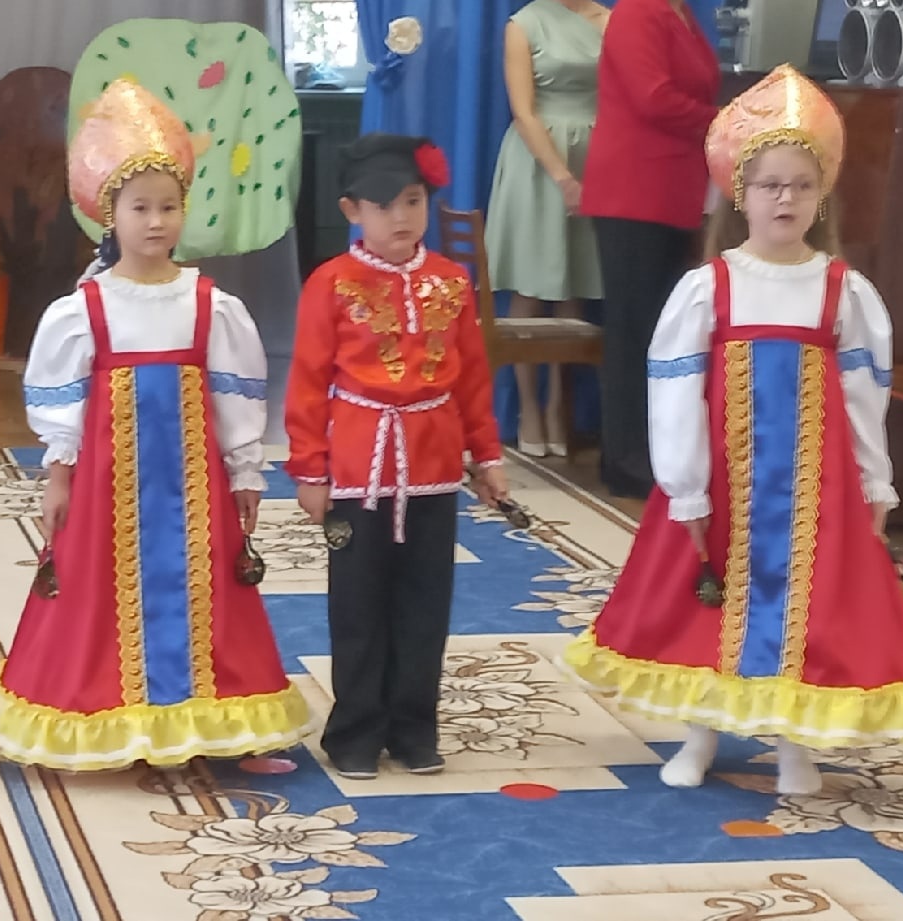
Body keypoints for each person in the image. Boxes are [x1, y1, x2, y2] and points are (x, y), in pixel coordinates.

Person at [560, 66, 903, 794]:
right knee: (706, 608)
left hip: (817, 489)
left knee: (811, 612)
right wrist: (685, 487)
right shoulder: (708, 287)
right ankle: (699, 736)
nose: (786, 199)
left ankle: (793, 748)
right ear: (739, 193)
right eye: (771, 185)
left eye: (802, 186)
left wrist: (876, 482)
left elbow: (863, 396)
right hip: (725, 481)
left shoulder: (843, 290)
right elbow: (676, 392)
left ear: (822, 195)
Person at [0, 80, 313, 772]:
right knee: (101, 596)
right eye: (140, 208)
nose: (156, 222)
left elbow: (234, 394)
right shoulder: (86, 308)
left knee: (212, 592)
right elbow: (63, 403)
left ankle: (225, 725)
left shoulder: (210, 304)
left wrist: (245, 470)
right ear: (110, 214)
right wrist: (58, 476)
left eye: (169, 206)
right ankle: (109, 717)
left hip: (194, 487)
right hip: (109, 488)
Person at [285, 134, 509, 780]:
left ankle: (415, 728)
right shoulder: (331, 283)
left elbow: (472, 378)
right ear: (352, 210)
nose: (401, 217)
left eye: (413, 201)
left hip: (434, 468)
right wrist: (310, 468)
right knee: (358, 606)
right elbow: (307, 382)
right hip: (359, 470)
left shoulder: (451, 282)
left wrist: (487, 455)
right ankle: (355, 732)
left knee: (425, 605)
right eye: (383, 206)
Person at [579, 0, 719, 496]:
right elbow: (654, 98)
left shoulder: (681, 15)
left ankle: (651, 453)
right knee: (635, 330)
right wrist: (725, 121)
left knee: (661, 329)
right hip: (634, 191)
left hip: (670, 190)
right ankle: (626, 460)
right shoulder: (638, 11)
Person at [485, 0, 608, 457]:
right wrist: (562, 178)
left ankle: (560, 405)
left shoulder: (612, 22)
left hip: (596, 153)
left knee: (573, 283)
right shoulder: (524, 24)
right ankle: (528, 408)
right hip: (538, 162)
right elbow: (524, 111)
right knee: (531, 285)